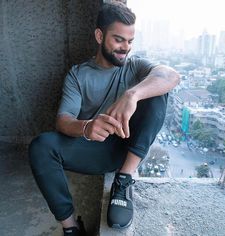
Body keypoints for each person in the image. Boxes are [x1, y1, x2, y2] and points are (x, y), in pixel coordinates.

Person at [29, 2, 180, 236]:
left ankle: (123, 180)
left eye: (130, 42)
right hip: (93, 150)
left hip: (127, 148)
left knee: (158, 91)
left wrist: (133, 94)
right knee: (40, 146)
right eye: (119, 40)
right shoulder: (78, 75)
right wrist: (87, 127)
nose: (125, 48)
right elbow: (63, 120)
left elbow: (171, 75)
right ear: (100, 36)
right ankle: (71, 227)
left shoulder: (135, 66)